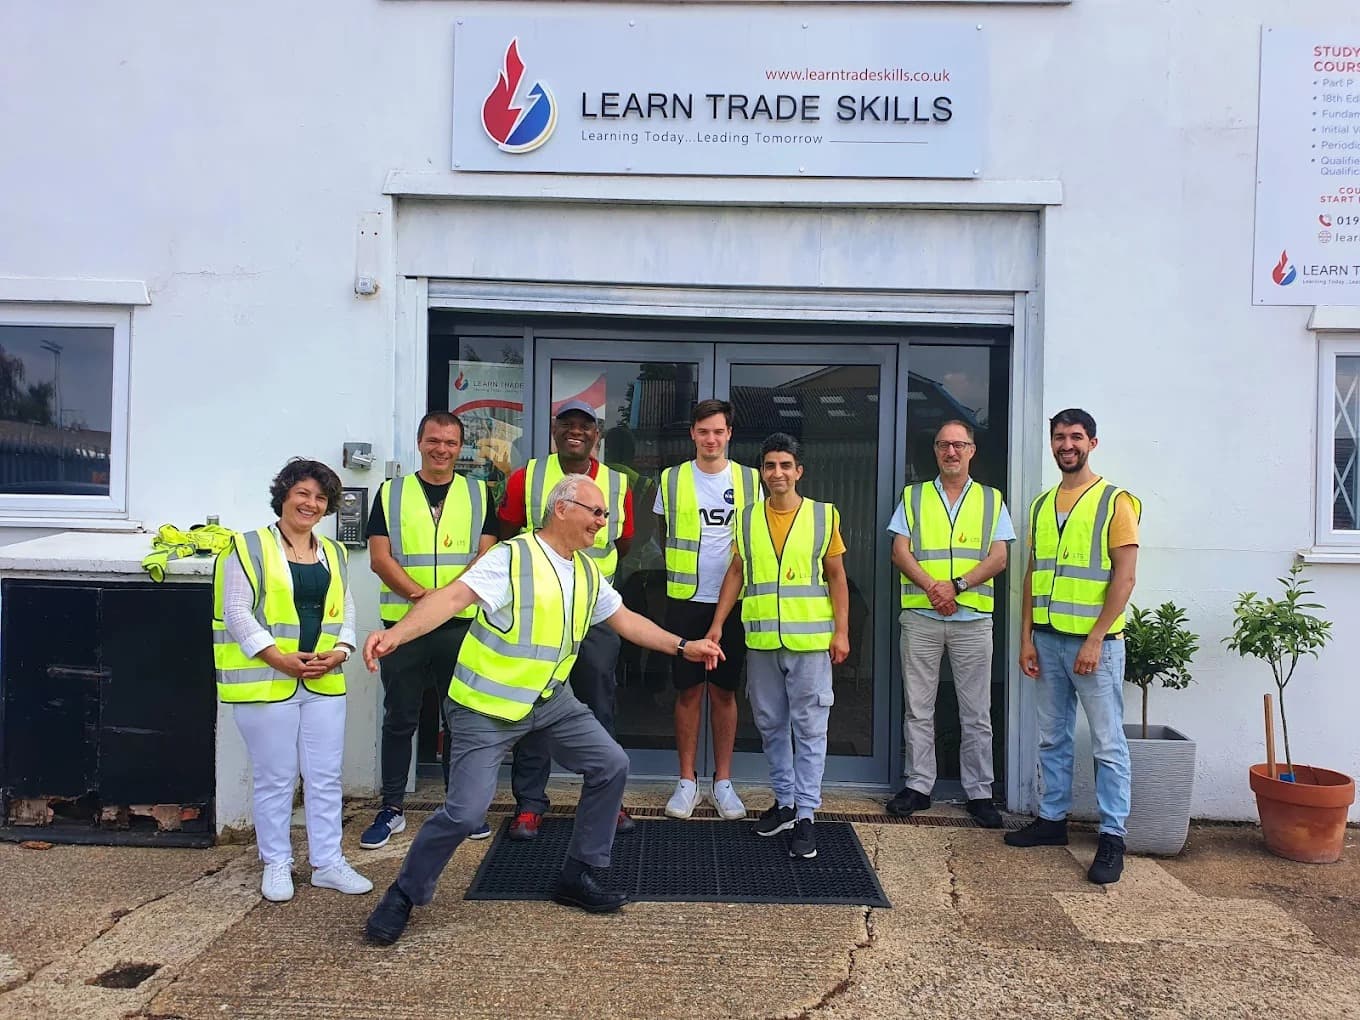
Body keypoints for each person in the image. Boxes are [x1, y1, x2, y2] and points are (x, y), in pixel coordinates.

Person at [362, 474, 725, 945]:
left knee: (610, 764)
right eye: (595, 511)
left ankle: (579, 873)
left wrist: (682, 647)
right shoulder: (511, 558)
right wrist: (394, 635)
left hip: (549, 702)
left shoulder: (588, 571)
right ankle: (404, 894)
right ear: (562, 509)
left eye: (604, 513)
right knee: (466, 813)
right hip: (485, 707)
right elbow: (452, 600)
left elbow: (626, 621)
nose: (603, 521)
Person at [211, 458, 372, 902]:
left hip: (322, 680)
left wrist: (341, 652)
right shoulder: (248, 547)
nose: (312, 504)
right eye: (303, 494)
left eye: (321, 498)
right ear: (283, 495)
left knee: (324, 777)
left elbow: (346, 609)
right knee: (276, 778)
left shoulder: (334, 552)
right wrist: (277, 657)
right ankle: (277, 864)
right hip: (266, 682)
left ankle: (327, 862)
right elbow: (236, 612)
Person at [1007, 408, 1140, 885]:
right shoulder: (1042, 506)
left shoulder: (1114, 502)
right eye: (1060, 437)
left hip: (1095, 646)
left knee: (1107, 743)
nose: (1067, 445)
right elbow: (1032, 576)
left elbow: (1124, 577)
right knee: (1052, 738)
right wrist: (1026, 638)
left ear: (1093, 443)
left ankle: (1112, 836)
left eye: (1076, 437)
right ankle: (1052, 821)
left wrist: (1096, 638)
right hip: (1047, 641)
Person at [360, 412, 499, 850]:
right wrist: (425, 600)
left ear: (461, 448)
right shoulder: (391, 492)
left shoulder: (479, 492)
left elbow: (486, 557)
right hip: (403, 625)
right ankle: (392, 807)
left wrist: (446, 603)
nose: (442, 449)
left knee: (460, 718)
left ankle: (462, 807)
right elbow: (379, 558)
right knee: (400, 717)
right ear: (419, 443)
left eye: (451, 443)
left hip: (460, 628)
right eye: (434, 440)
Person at [497, 399, 636, 839]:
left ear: (597, 434)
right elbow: (507, 531)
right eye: (568, 424)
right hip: (539, 611)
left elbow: (623, 543)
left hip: (594, 613)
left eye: (586, 425)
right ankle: (530, 804)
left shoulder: (617, 483)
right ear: (555, 430)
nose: (576, 431)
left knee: (600, 704)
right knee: (535, 704)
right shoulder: (528, 477)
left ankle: (606, 800)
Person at [708, 433, 849, 860]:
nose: (778, 473)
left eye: (786, 465)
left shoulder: (823, 516)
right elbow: (736, 571)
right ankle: (785, 803)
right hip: (764, 641)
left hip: (809, 643)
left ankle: (806, 813)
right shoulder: (748, 518)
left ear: (798, 471)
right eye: (770, 466)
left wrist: (841, 632)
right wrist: (717, 625)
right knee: (771, 725)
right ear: (763, 472)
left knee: (809, 729)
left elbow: (837, 576)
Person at [885, 420, 1014, 829]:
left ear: (972, 451)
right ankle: (919, 787)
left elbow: (999, 559)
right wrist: (932, 588)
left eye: (959, 444)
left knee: (976, 712)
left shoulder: (992, 500)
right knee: (917, 708)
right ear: (936, 451)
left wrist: (956, 587)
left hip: (972, 619)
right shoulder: (914, 495)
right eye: (944, 445)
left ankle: (979, 793)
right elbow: (899, 551)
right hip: (922, 617)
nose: (951, 452)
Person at [655, 399, 762, 820]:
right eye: (704, 432)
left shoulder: (752, 481)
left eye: (719, 431)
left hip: (734, 603)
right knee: (688, 691)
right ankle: (686, 782)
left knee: (724, 691)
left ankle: (723, 782)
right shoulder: (672, 478)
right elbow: (664, 531)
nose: (711, 439)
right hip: (685, 600)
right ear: (693, 435)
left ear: (729, 434)